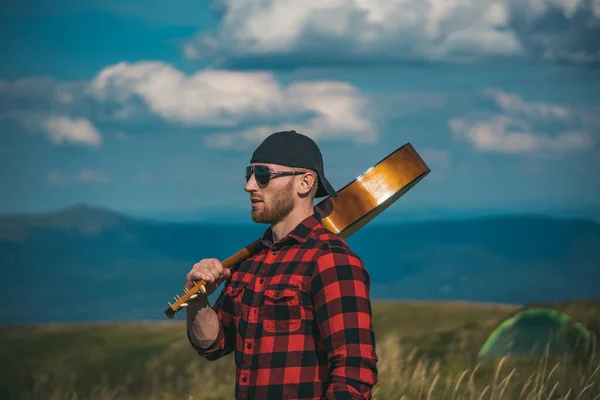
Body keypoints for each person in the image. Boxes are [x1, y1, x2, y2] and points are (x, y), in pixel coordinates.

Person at [185, 130, 378, 399]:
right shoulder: (248, 263)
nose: (250, 185)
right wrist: (198, 302)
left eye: (263, 175)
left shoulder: (331, 261)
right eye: (248, 174)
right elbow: (214, 344)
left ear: (305, 183)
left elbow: (353, 374)